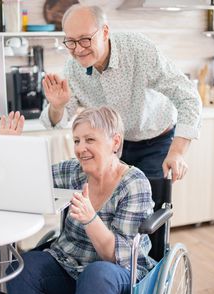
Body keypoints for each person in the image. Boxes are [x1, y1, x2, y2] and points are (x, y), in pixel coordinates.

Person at [0, 107, 155, 294]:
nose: (81, 148)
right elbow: (29, 178)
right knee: (22, 267)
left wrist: (91, 219)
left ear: (115, 142)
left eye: (90, 139)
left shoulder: (134, 184)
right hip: (69, 265)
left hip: (120, 274)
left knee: (97, 275)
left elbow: (115, 258)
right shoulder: (74, 171)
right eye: (77, 140)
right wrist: (9, 149)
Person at [39, 4, 202, 182]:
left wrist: (177, 152)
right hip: (112, 148)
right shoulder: (73, 69)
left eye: (85, 39)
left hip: (156, 142)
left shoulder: (138, 49)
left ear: (105, 32)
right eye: (71, 41)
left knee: (150, 207)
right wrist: (57, 106)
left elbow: (189, 97)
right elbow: (56, 122)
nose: (78, 49)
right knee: (111, 208)